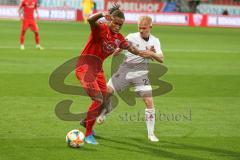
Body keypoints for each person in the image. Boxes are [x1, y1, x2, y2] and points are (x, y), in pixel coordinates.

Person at [75, 4, 155, 145]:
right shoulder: (100, 28)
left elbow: (133, 50)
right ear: (110, 20)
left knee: (104, 100)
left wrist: (147, 52)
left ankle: (86, 123)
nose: (117, 26)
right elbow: (90, 20)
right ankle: (88, 134)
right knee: (98, 100)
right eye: (115, 23)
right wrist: (101, 14)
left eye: (120, 24)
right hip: (85, 67)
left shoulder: (119, 38)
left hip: (98, 70)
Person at [97, 16, 164, 142]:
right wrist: (117, 50)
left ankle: (151, 134)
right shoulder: (131, 37)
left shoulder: (155, 41)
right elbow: (119, 47)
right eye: (139, 28)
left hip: (141, 73)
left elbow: (161, 59)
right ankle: (107, 109)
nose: (141, 30)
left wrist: (152, 54)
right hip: (125, 70)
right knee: (107, 92)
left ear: (150, 27)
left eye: (144, 28)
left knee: (149, 101)